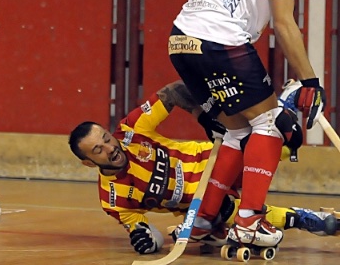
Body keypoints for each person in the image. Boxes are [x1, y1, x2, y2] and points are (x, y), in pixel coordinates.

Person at [167, 0, 330, 251]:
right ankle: (249, 222)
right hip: (218, 39)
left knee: (238, 131)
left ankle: (204, 220)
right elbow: (284, 22)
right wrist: (310, 81)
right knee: (272, 124)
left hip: (181, 42)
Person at [68, 81, 337, 255]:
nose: (110, 148)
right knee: (228, 213)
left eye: (106, 138)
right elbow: (144, 231)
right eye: (98, 150)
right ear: (88, 163)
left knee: (284, 144)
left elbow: (173, 91)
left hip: (217, 160)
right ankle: (305, 219)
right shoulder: (112, 199)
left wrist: (203, 117)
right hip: (205, 208)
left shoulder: (131, 130)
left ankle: (286, 101)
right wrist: (146, 241)